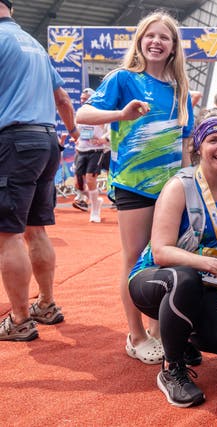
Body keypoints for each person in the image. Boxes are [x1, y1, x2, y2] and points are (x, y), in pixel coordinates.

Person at [76, 11, 194, 364]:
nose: (156, 42)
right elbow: (83, 114)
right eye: (150, 36)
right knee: (135, 258)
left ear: (173, 48)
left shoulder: (181, 91)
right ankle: (136, 335)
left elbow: (186, 146)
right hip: (134, 185)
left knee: (164, 259)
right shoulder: (122, 79)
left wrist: (190, 185)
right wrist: (121, 115)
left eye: (164, 37)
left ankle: (159, 331)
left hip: (172, 188)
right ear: (140, 41)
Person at [129, 116, 217, 407]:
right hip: (154, 277)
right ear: (199, 146)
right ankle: (172, 370)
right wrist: (213, 265)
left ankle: (181, 339)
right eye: (213, 140)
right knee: (183, 278)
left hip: (207, 283)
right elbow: (161, 251)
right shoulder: (179, 186)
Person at [0, 0, 80, 340]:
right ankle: (45, 304)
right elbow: (62, 99)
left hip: (15, 141)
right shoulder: (33, 44)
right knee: (37, 229)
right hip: (46, 141)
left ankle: (19, 319)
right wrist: (74, 132)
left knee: (8, 234)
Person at [73, 88, 110, 222]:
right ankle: (95, 200)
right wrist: (76, 138)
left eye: (85, 98)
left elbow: (110, 130)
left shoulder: (101, 113)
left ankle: (95, 212)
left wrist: (104, 139)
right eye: (81, 98)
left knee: (90, 178)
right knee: (79, 184)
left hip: (96, 151)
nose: (83, 100)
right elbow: (77, 130)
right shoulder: (80, 113)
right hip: (81, 150)